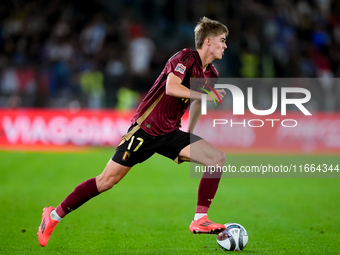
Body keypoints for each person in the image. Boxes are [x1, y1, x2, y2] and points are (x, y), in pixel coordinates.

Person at [38, 16, 229, 247]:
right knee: (106, 181)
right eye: (222, 40)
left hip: (170, 132)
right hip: (145, 130)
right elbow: (171, 88)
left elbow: (197, 103)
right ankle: (54, 215)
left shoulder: (212, 74)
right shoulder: (184, 57)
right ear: (208, 41)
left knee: (217, 159)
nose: (225, 45)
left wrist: (189, 132)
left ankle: (200, 219)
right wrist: (203, 95)